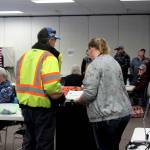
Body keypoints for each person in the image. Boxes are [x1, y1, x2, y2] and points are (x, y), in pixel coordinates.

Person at [75, 37, 132, 150]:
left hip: (106, 116)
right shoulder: (113, 61)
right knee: (113, 145)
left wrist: (78, 100)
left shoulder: (94, 65)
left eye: (88, 50)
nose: (88, 53)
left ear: (92, 48)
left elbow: (90, 94)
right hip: (123, 113)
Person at [16, 27, 65, 150]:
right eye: (54, 40)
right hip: (43, 108)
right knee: (43, 144)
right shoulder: (48, 57)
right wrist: (61, 97)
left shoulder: (24, 56)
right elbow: (52, 87)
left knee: (29, 142)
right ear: (50, 40)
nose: (55, 43)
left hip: (26, 107)